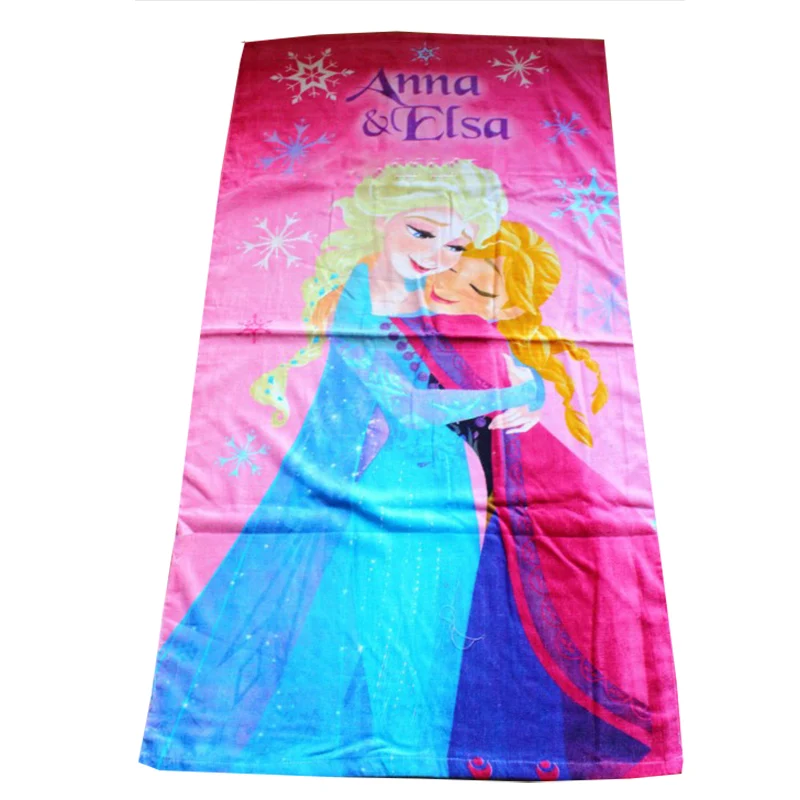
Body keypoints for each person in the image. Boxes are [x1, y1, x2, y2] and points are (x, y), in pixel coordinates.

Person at [140, 163, 544, 775]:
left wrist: (534, 387)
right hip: (367, 479)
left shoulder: (435, 294)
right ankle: (382, 752)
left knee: (435, 626)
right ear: (382, 218)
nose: (435, 255)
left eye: (455, 245)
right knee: (367, 623)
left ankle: (428, 755)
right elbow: (408, 407)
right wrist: (510, 395)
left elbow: (489, 357)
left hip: (446, 482)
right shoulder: (353, 297)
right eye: (421, 231)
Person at [393, 222, 655, 779]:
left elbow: (467, 401)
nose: (450, 286)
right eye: (452, 268)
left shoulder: (482, 339)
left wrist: (526, 391)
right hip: (442, 490)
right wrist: (521, 391)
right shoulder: (410, 322)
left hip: (498, 491)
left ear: (508, 308)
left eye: (479, 289)